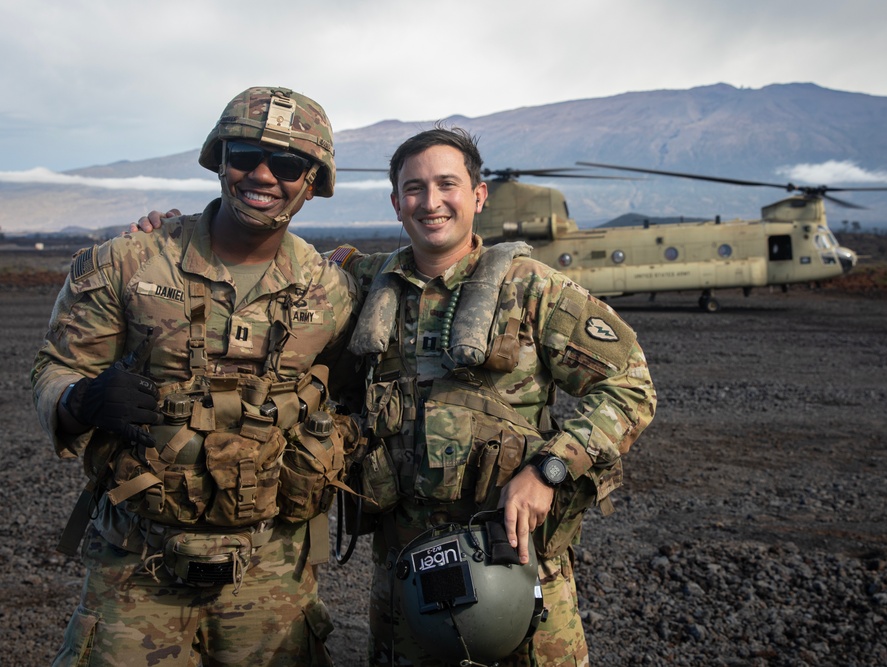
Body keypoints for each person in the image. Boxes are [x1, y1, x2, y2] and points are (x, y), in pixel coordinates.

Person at [136, 126, 657, 665]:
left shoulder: (533, 290)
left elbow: (630, 386)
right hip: (405, 568)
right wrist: (178, 235)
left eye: (447, 185)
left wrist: (549, 470)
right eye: (414, 188)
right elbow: (265, 258)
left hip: (513, 554)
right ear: (395, 202)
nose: (430, 202)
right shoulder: (362, 282)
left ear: (478, 196)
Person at [32, 86, 360, 666]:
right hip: (137, 564)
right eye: (243, 157)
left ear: (313, 181)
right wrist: (81, 399)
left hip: (272, 571)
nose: (261, 175)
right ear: (219, 160)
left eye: (286, 164)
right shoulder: (129, 262)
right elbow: (57, 366)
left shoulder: (331, 290)